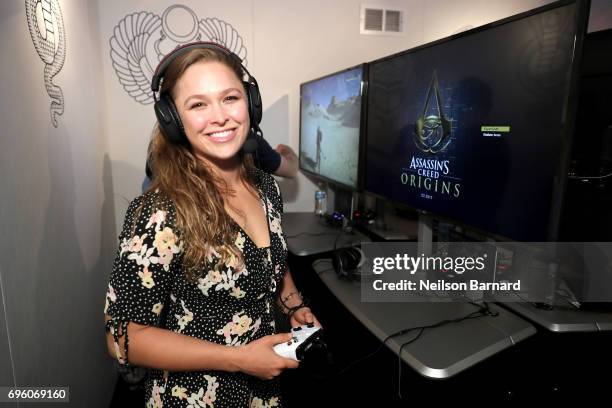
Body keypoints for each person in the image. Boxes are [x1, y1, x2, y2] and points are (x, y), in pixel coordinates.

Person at [104, 42, 319, 407]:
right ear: (173, 119)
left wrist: (294, 305)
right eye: (198, 104)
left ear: (251, 104)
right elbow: (122, 337)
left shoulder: (265, 187)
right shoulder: (159, 212)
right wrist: (238, 360)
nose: (220, 116)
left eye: (230, 98)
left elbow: (270, 262)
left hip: (262, 388)